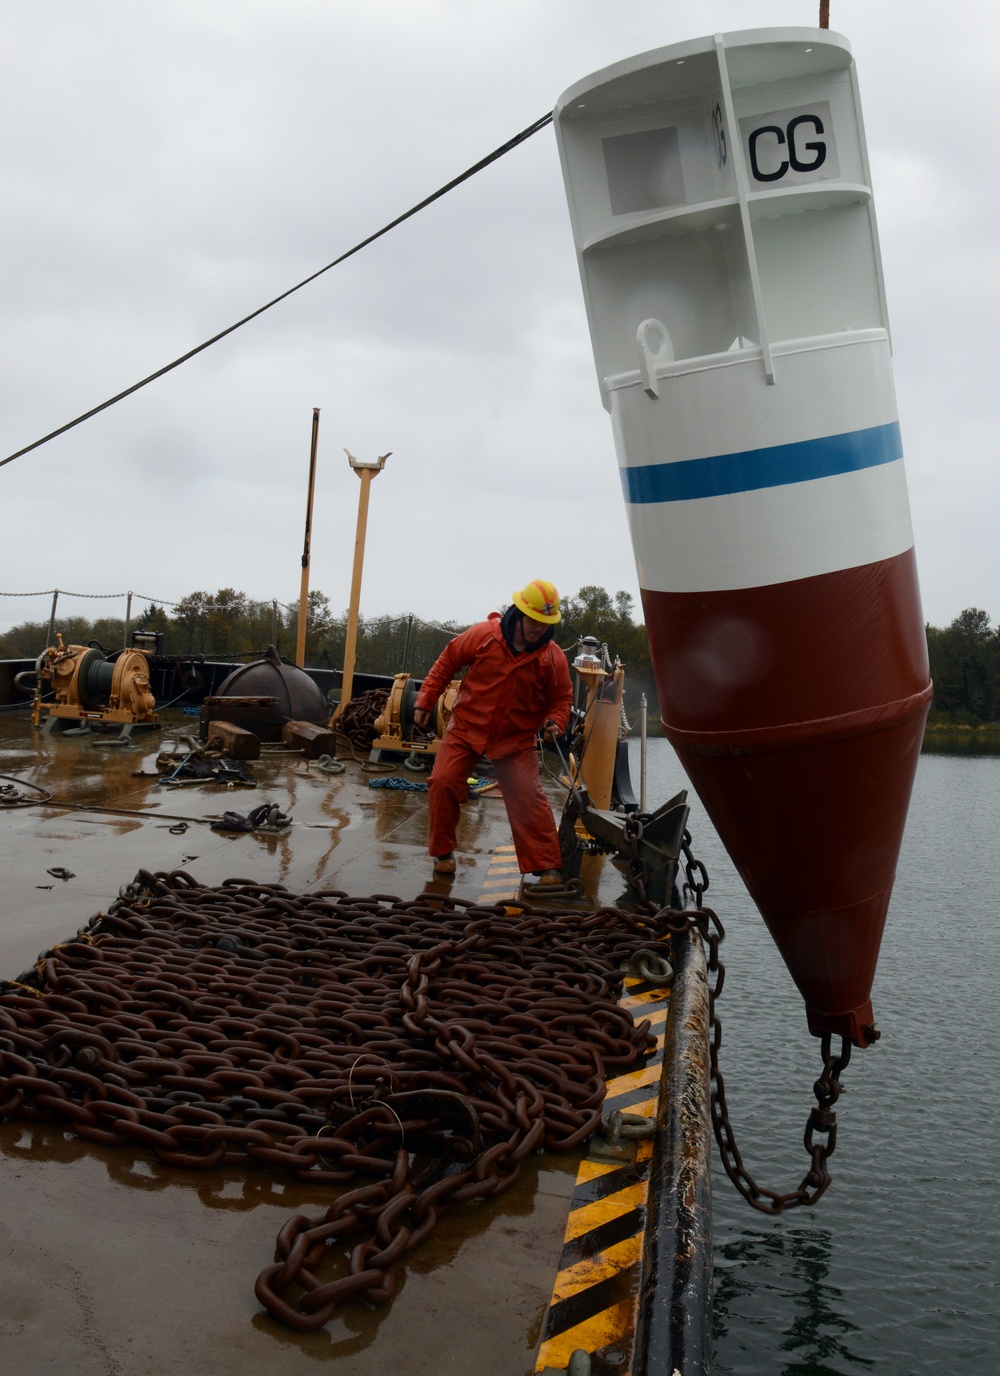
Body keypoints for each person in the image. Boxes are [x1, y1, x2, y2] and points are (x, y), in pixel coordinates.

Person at [413, 579, 573, 884]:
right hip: (467, 727)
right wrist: (425, 700)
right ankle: (443, 853)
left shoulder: (552, 658)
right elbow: (448, 661)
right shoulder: (484, 635)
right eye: (534, 620)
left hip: (516, 739)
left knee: (529, 797)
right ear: (520, 612)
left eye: (545, 623)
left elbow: (561, 698)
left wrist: (556, 720)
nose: (539, 628)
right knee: (443, 782)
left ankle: (547, 866)